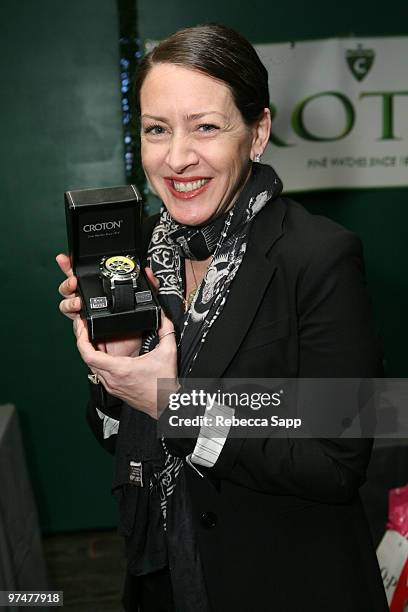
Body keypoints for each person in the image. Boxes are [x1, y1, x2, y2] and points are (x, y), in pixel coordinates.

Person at [57, 23, 388, 612]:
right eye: (157, 130)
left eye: (206, 127)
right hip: (162, 574)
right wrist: (121, 364)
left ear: (257, 133)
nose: (177, 157)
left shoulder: (318, 258)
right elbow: (115, 437)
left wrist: (170, 403)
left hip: (283, 584)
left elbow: (336, 464)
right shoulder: (137, 259)